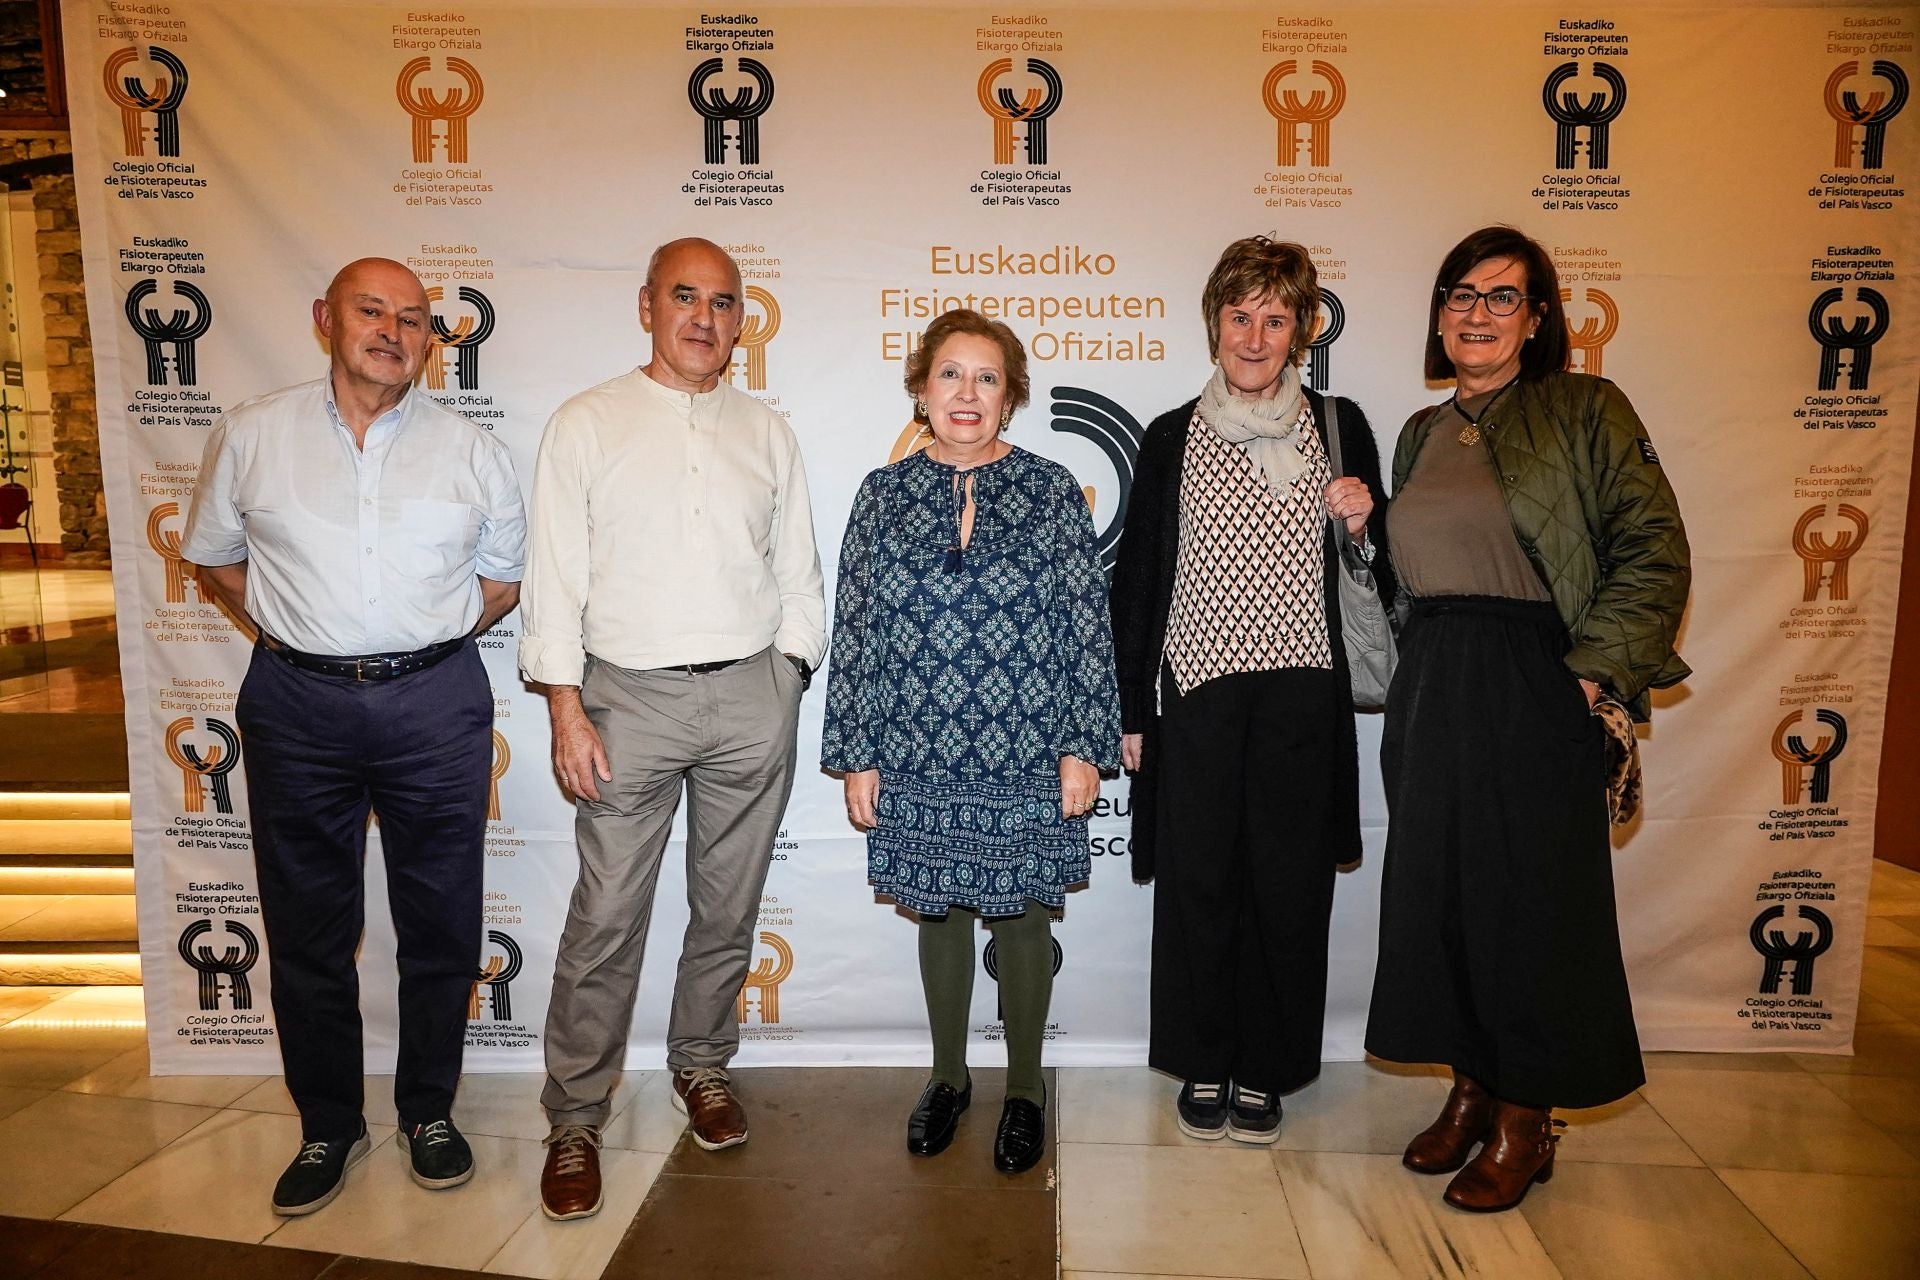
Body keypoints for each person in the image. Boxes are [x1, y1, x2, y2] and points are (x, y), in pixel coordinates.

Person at [181, 257, 526, 1216]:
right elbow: (212, 558)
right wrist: (305, 638)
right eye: (372, 311)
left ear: (431, 340)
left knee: (442, 925)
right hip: (297, 708)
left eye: (414, 319)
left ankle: (429, 1113)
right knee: (305, 930)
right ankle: (328, 1122)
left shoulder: (472, 451)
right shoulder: (253, 434)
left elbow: (501, 585)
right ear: (325, 318)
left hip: (435, 705)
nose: (393, 331)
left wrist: (412, 651)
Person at [1365, 225, 1690, 1212]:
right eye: (1461, 293)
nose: (1477, 312)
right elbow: (1415, 572)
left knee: (1536, 907)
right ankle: (1471, 1085)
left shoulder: (1587, 407)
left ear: (1538, 318)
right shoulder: (1422, 432)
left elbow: (1654, 548)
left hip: (1536, 673)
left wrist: (1588, 679)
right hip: (1436, 677)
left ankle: (1527, 1115)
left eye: (1503, 296)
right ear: (1438, 314)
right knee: (1445, 894)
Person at [520, 237, 825, 1221]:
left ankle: (702, 1067)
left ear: (744, 319)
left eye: (724, 301)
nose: (704, 316)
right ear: (646, 304)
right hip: (624, 703)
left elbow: (798, 570)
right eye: (685, 296)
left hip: (749, 694)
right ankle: (575, 1114)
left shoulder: (767, 431)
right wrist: (566, 704)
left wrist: (788, 674)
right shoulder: (586, 422)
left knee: (728, 908)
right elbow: (555, 577)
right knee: (607, 915)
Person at [820, 309, 1119, 1174]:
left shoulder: (1053, 488)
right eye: (951, 374)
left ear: (1011, 398)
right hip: (914, 744)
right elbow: (860, 626)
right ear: (921, 388)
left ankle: (1024, 1088)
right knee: (939, 909)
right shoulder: (881, 495)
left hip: (1027, 743)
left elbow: (1082, 624)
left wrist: (1081, 745)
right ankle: (948, 1077)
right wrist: (859, 751)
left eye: (988, 379)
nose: (967, 393)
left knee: (1023, 914)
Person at [1108, 236, 1392, 1145]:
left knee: (1288, 886)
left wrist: (1361, 528)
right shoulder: (1169, 436)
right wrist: (1131, 710)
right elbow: (1140, 582)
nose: (1256, 336)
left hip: (1304, 695)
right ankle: (1203, 1056)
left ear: (1303, 330)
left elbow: (1379, 581)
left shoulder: (1342, 427)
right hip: (1197, 690)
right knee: (1198, 883)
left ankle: (1268, 1066)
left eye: (1276, 318)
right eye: (1240, 316)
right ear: (1214, 326)